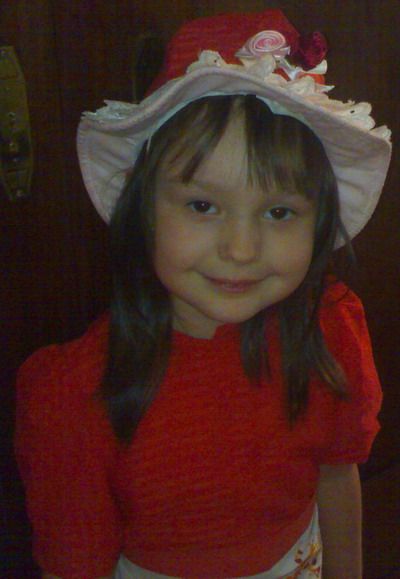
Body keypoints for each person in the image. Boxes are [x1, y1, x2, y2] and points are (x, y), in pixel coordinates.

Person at [15, 9, 392, 579]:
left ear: (318, 222)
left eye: (279, 211)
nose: (240, 249)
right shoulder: (78, 395)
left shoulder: (331, 331)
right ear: (141, 205)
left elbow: (338, 475)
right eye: (202, 205)